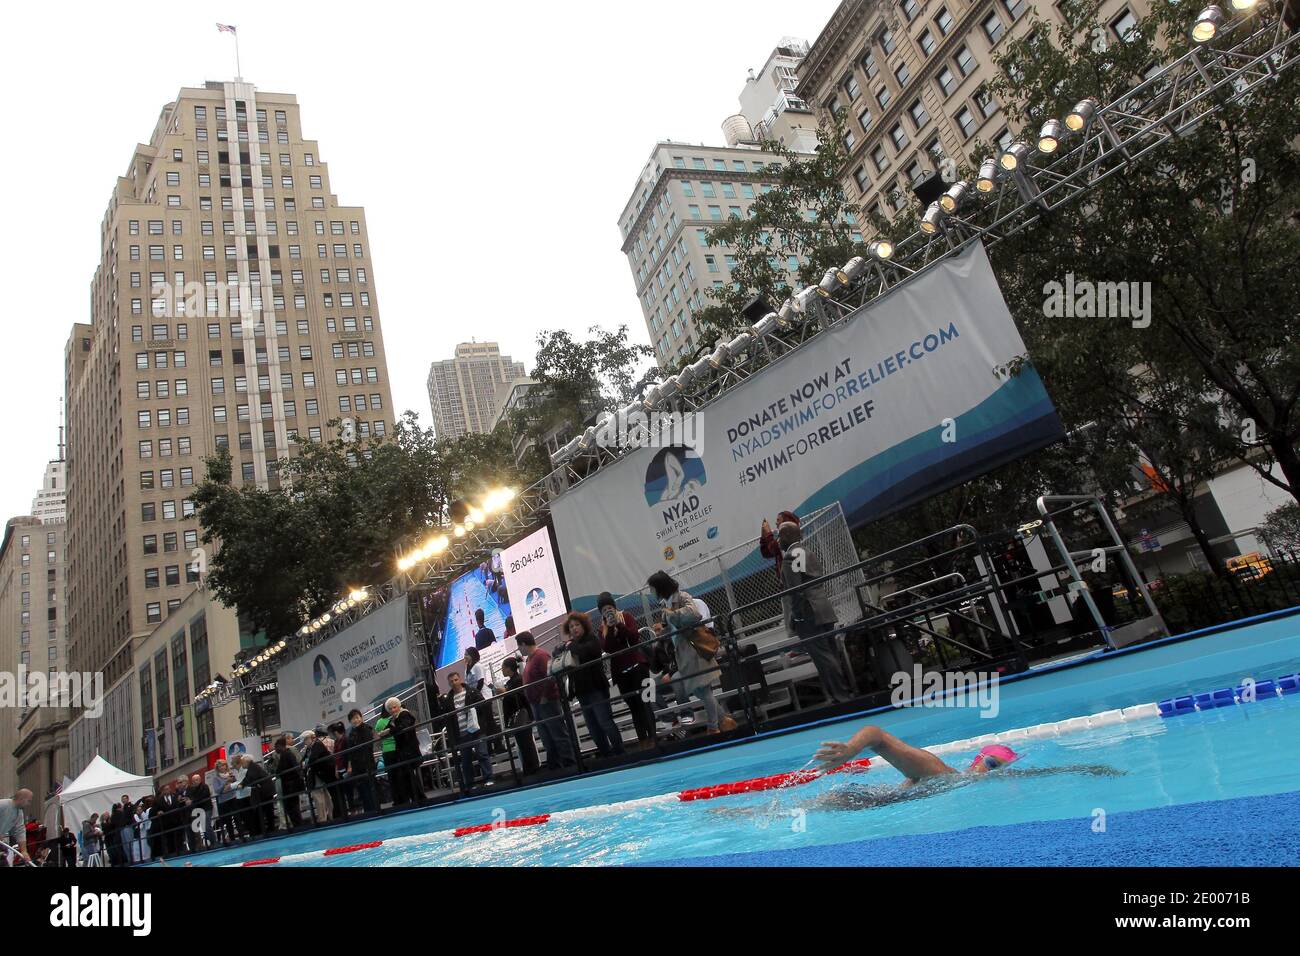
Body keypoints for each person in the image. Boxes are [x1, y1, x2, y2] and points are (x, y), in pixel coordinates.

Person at [646, 571, 736, 735]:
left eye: (652, 588)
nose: (651, 592)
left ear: (660, 587)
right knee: (700, 690)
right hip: (683, 653)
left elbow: (694, 614)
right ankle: (723, 720)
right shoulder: (665, 604)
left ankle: (713, 726)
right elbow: (670, 629)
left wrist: (672, 615)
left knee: (704, 689)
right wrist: (663, 631)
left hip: (695, 650)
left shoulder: (682, 597)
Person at [777, 520, 855, 704]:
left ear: (787, 536)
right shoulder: (807, 552)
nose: (778, 540)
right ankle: (842, 692)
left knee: (822, 656)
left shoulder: (790, 557)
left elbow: (795, 590)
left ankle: (839, 695)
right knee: (831, 653)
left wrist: (796, 616)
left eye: (780, 536)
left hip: (809, 612)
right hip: (823, 607)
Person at [597, 592, 656, 749]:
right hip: (621, 673)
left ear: (615, 607)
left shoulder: (626, 616)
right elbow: (608, 648)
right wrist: (609, 628)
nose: (607, 612)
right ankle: (642, 739)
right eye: (604, 610)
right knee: (634, 707)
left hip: (639, 667)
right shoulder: (601, 629)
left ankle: (653, 738)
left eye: (609, 608)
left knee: (646, 703)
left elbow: (634, 638)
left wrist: (619, 625)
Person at [562, 612, 625, 757]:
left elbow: (588, 651)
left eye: (577, 625)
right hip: (582, 691)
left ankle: (619, 751)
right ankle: (605, 753)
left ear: (583, 625)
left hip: (596, 688)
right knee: (592, 726)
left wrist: (571, 647)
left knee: (604, 721)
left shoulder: (591, 639)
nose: (574, 628)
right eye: (571, 626)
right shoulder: (570, 645)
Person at [517, 631, 577, 770]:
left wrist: (544, 696)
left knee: (557, 733)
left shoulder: (541, 656)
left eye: (519, 646)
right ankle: (556, 765)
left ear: (524, 644)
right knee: (547, 737)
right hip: (537, 703)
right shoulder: (530, 659)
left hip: (546, 702)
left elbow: (550, 676)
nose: (519, 649)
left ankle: (570, 762)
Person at [443, 671, 495, 793]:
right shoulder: (448, 699)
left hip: (476, 729)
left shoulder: (472, 691)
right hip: (460, 733)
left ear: (460, 679)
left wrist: (473, 711)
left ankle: (489, 778)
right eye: (451, 681)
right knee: (466, 760)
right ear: (449, 684)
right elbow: (447, 719)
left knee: (482, 753)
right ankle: (470, 784)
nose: (454, 683)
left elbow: (483, 704)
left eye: (456, 680)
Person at [379, 697, 425, 807]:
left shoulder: (404, 714)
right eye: (390, 709)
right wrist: (385, 732)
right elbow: (388, 730)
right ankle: (416, 798)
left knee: (410, 775)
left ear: (399, 706)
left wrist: (389, 731)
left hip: (409, 750)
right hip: (402, 751)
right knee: (407, 776)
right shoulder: (393, 719)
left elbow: (403, 727)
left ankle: (419, 798)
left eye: (394, 707)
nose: (393, 710)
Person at [498, 657, 540, 775]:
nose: (502, 670)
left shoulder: (517, 680)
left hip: (521, 714)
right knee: (522, 743)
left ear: (508, 668)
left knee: (526, 742)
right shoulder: (511, 681)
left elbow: (519, 696)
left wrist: (505, 692)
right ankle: (529, 767)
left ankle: (533, 767)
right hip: (516, 715)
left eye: (503, 668)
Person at [345, 709, 380, 814]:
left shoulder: (367, 729)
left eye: (357, 717)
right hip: (357, 766)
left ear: (361, 717)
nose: (355, 720)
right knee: (362, 790)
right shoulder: (351, 733)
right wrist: (350, 765)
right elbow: (350, 752)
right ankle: (368, 811)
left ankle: (375, 809)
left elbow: (369, 745)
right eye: (352, 719)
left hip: (367, 763)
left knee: (370, 788)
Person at [237, 754, 276, 837]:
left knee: (267, 810)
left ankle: (271, 828)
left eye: (242, 762)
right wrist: (242, 784)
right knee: (265, 810)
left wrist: (242, 785)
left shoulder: (253, 767)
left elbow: (250, 777)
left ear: (246, 762)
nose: (242, 764)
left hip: (265, 791)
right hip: (264, 791)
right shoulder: (252, 767)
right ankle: (269, 828)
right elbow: (248, 777)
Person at [273, 736, 306, 829]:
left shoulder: (286, 755)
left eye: (276, 747)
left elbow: (280, 770)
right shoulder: (287, 754)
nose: (275, 749)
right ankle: (298, 824)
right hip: (291, 784)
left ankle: (298, 825)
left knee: (292, 807)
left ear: (280, 746)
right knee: (292, 807)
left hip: (290, 785)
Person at [0, 789, 33, 865]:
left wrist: (24, 851)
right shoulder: (3, 804)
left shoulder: (19, 813)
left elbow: (20, 831)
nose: (29, 804)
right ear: (21, 799)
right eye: (29, 801)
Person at [211, 759, 240, 844]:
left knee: (237, 817)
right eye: (221, 766)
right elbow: (217, 790)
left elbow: (236, 783)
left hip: (233, 797)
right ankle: (232, 838)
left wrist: (233, 779)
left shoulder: (230, 774)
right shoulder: (216, 779)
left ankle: (241, 835)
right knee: (227, 821)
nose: (223, 767)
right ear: (218, 768)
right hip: (223, 801)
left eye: (224, 765)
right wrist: (225, 783)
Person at [187, 773, 213, 851]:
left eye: (196, 780)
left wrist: (193, 801)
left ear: (200, 780)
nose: (195, 782)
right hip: (198, 810)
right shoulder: (192, 790)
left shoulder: (205, 786)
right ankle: (203, 844)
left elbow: (203, 796)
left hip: (206, 808)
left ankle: (213, 842)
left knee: (207, 826)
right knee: (198, 827)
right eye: (194, 780)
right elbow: (191, 798)